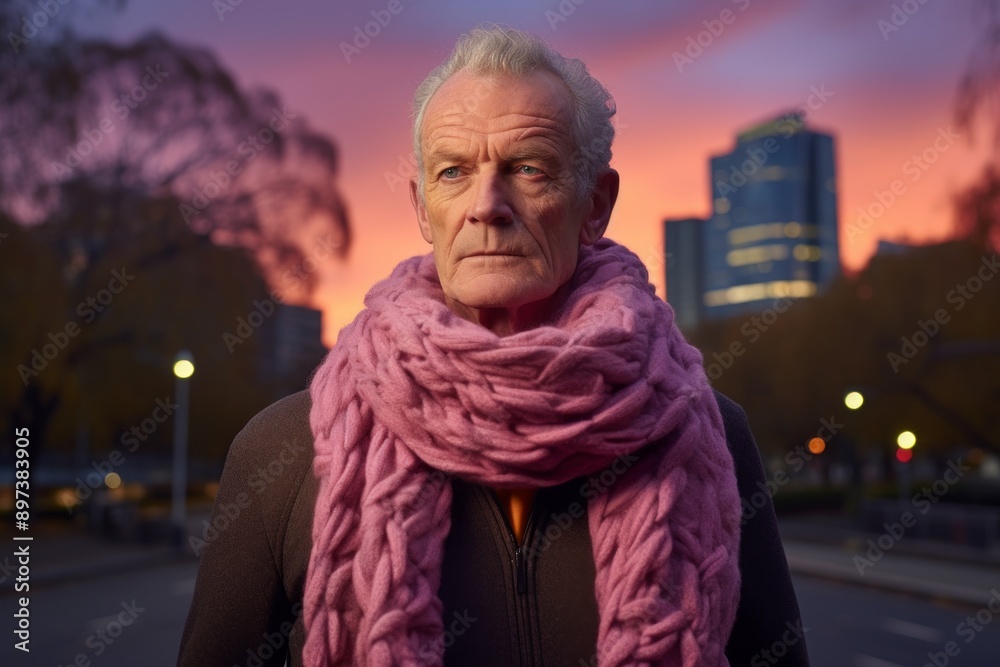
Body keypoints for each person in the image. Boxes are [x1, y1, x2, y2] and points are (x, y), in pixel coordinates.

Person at [178, 25, 810, 667]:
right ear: (424, 208)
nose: (486, 205)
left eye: (527, 168)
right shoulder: (282, 450)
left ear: (596, 203)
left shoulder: (712, 433)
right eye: (454, 172)